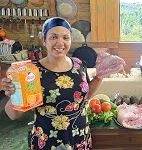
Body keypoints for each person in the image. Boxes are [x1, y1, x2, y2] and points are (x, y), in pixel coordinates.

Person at [1, 17, 125, 149]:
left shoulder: (79, 64)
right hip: (49, 141)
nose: (60, 43)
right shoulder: (31, 71)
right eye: (53, 37)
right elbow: (13, 115)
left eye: (65, 38)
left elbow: (85, 96)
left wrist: (100, 76)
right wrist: (13, 94)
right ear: (44, 40)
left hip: (80, 137)